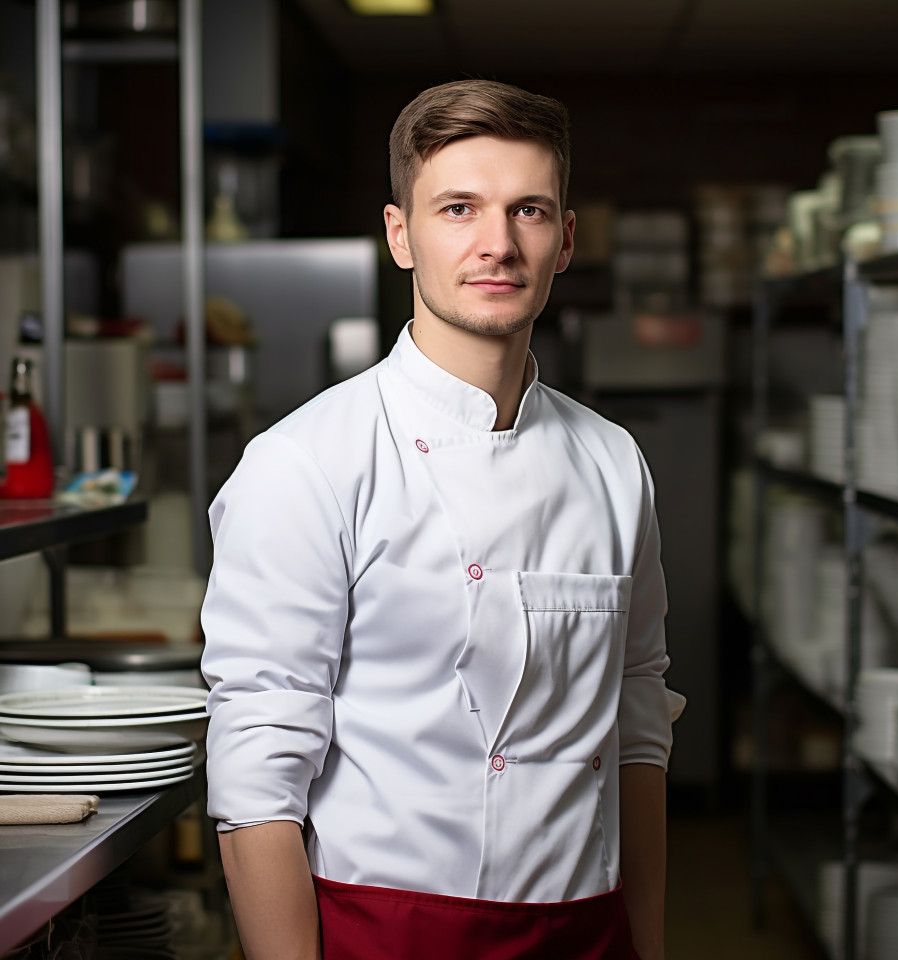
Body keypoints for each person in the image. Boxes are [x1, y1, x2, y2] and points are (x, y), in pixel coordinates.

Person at [200, 78, 686, 960]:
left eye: (529, 211)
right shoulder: (305, 463)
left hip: (587, 934)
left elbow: (637, 723)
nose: (497, 245)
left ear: (566, 239)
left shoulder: (614, 461)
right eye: (458, 208)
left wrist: (647, 948)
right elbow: (257, 782)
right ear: (400, 234)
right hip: (380, 933)